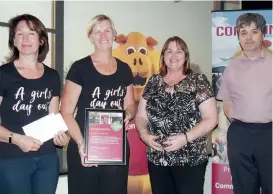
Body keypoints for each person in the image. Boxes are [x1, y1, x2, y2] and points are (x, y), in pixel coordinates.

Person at [60, 14, 136, 194]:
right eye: (97, 31)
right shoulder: (79, 68)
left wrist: (128, 115)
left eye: (107, 30)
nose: (103, 36)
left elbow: (131, 106)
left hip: (115, 149)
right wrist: (81, 144)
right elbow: (66, 112)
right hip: (85, 149)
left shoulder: (124, 69)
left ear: (114, 34)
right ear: (91, 37)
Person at [135, 36, 218, 194]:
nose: (174, 56)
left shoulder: (198, 81)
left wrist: (185, 138)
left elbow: (211, 119)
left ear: (185, 56)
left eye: (179, 51)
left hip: (190, 159)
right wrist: (144, 135)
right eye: (169, 51)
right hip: (157, 159)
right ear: (163, 57)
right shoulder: (153, 82)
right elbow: (140, 116)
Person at [0, 14, 69, 194]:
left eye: (31, 33)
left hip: (47, 159)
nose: (25, 39)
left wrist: (61, 136)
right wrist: (15, 138)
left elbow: (54, 117)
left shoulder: (52, 76)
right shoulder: (3, 74)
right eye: (19, 34)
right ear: (13, 41)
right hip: (12, 158)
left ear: (41, 40)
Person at [217, 13, 272, 194]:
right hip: (240, 135)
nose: (248, 37)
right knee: (244, 189)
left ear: (263, 35)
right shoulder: (232, 66)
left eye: (254, 31)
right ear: (238, 37)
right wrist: (243, 122)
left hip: (269, 135)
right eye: (243, 32)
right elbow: (226, 101)